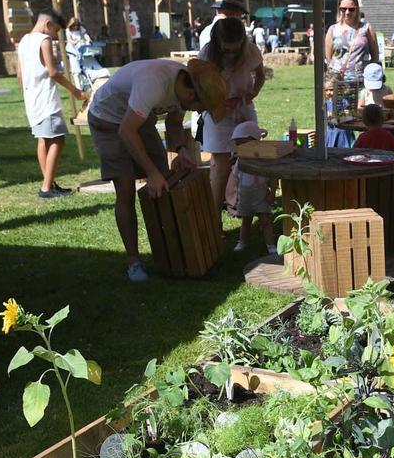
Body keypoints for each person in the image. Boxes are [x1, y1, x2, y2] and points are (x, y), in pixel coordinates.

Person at [86, 58, 227, 282]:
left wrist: (181, 149)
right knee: (125, 188)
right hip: (107, 119)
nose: (200, 112)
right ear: (191, 96)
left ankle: (169, 251)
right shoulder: (153, 83)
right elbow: (126, 131)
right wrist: (151, 173)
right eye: (202, 109)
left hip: (137, 119)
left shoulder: (186, 83)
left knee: (164, 181)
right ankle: (134, 262)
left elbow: (173, 123)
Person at [198, 17, 266, 216]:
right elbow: (198, 87)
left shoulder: (251, 50)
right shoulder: (206, 54)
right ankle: (213, 218)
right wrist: (217, 103)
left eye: (235, 50)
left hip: (243, 109)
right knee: (220, 166)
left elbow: (261, 75)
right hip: (216, 112)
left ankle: (250, 208)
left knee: (250, 158)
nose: (231, 54)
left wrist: (253, 92)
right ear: (217, 43)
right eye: (227, 50)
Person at [18, 8, 87, 200]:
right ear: (47, 25)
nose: (56, 36)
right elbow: (53, 72)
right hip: (46, 99)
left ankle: (50, 183)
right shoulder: (44, 40)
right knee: (58, 139)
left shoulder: (23, 41)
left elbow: (19, 75)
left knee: (43, 140)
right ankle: (47, 187)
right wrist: (76, 91)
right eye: (56, 31)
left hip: (32, 100)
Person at [228, 121, 276, 255]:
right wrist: (234, 195)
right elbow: (235, 178)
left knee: (265, 220)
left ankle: (270, 244)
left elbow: (273, 177)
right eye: (238, 145)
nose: (240, 148)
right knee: (246, 221)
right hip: (245, 195)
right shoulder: (240, 160)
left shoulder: (263, 159)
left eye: (243, 144)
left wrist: (272, 193)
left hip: (260, 195)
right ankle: (242, 241)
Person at [327, 0, 376, 79]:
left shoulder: (366, 28)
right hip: (338, 81)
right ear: (339, 9)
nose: (347, 12)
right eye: (343, 9)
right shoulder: (333, 30)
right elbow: (329, 59)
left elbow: (375, 56)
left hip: (362, 80)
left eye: (351, 9)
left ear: (357, 9)